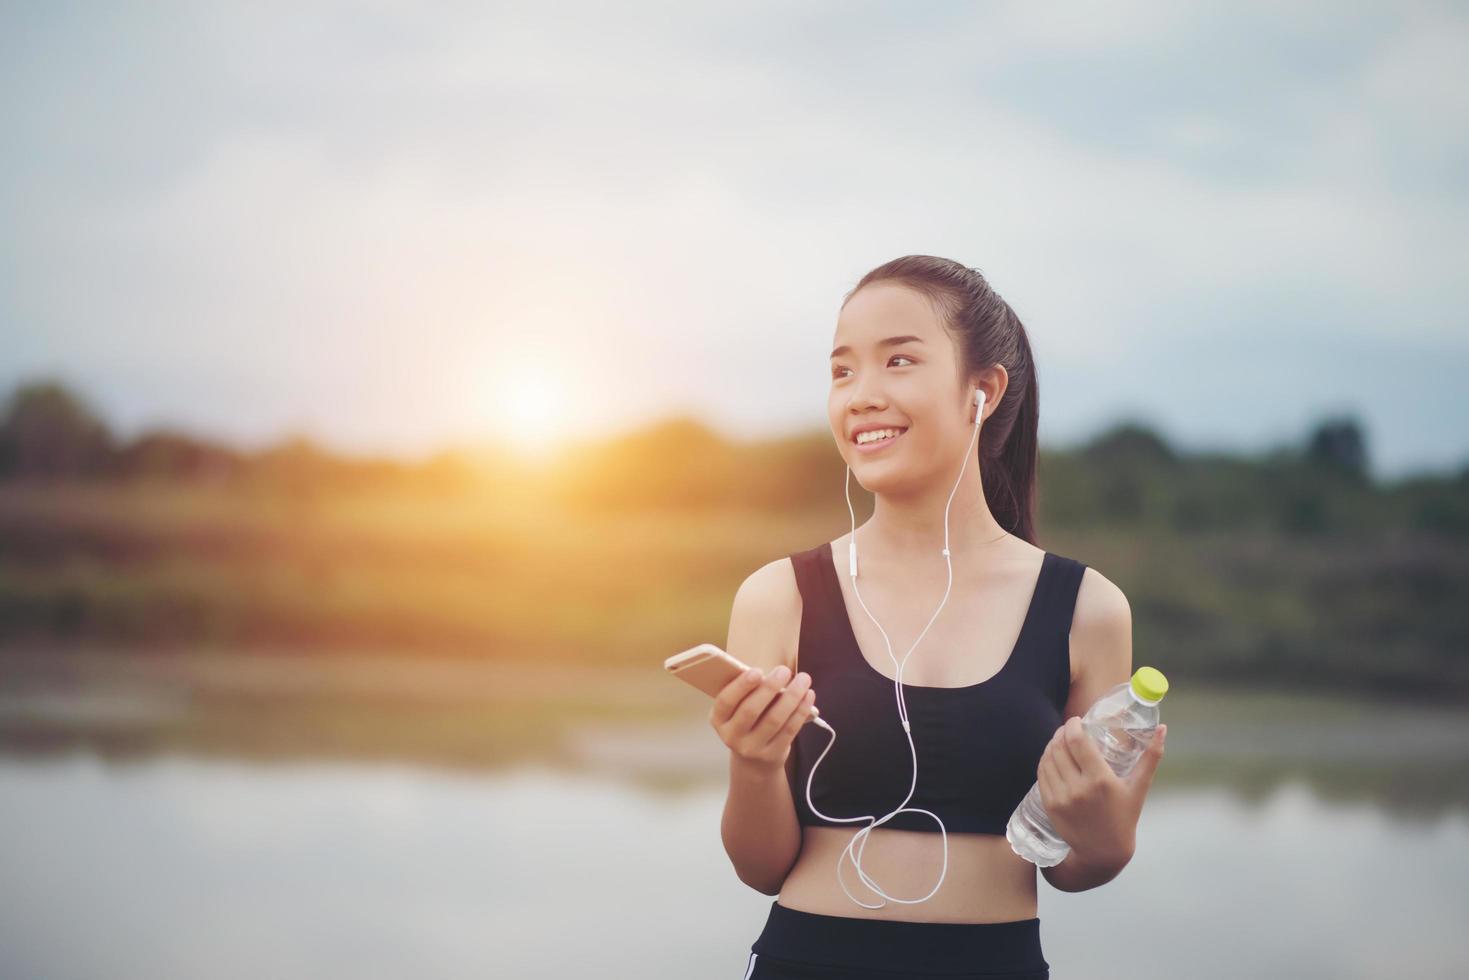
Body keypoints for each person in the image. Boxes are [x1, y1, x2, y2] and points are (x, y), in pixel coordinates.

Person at [709, 255, 1168, 979]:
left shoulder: (1087, 609)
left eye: (897, 361)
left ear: (981, 391)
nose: (861, 395)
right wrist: (753, 760)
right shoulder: (778, 596)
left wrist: (1107, 839)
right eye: (841, 371)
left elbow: (1073, 870)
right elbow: (760, 867)